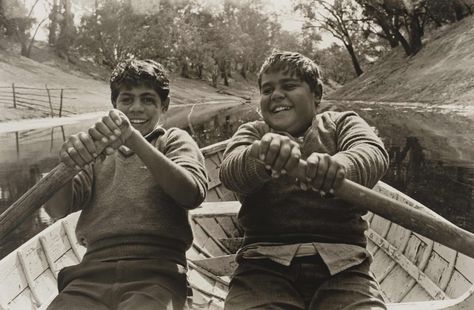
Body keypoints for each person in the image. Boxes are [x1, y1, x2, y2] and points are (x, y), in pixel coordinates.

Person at [219, 51, 389, 309]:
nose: (276, 94)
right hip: (262, 265)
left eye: (289, 86)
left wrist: (339, 166)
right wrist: (260, 154)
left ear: (316, 94)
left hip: (345, 265)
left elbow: (372, 153)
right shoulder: (254, 133)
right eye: (267, 90)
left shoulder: (342, 123)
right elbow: (230, 174)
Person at [45, 59, 208, 310]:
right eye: (127, 99)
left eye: (148, 100)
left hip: (158, 273)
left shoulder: (174, 140)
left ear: (164, 106)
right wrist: (69, 165)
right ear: (115, 105)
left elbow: (192, 195)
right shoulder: (96, 148)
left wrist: (133, 139)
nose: (136, 108)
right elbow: (57, 210)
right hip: (92, 273)